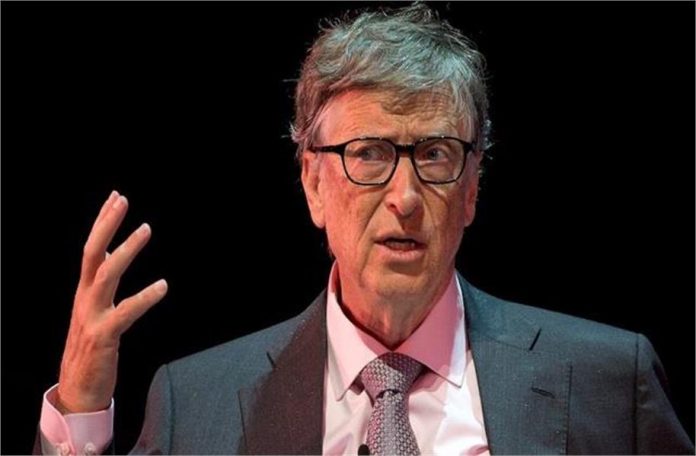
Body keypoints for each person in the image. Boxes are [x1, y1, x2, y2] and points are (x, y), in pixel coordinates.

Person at [35, 4, 693, 455]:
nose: (404, 197)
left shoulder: (608, 380)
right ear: (313, 185)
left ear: (472, 189)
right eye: (369, 154)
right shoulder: (197, 401)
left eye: (435, 154)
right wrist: (81, 415)